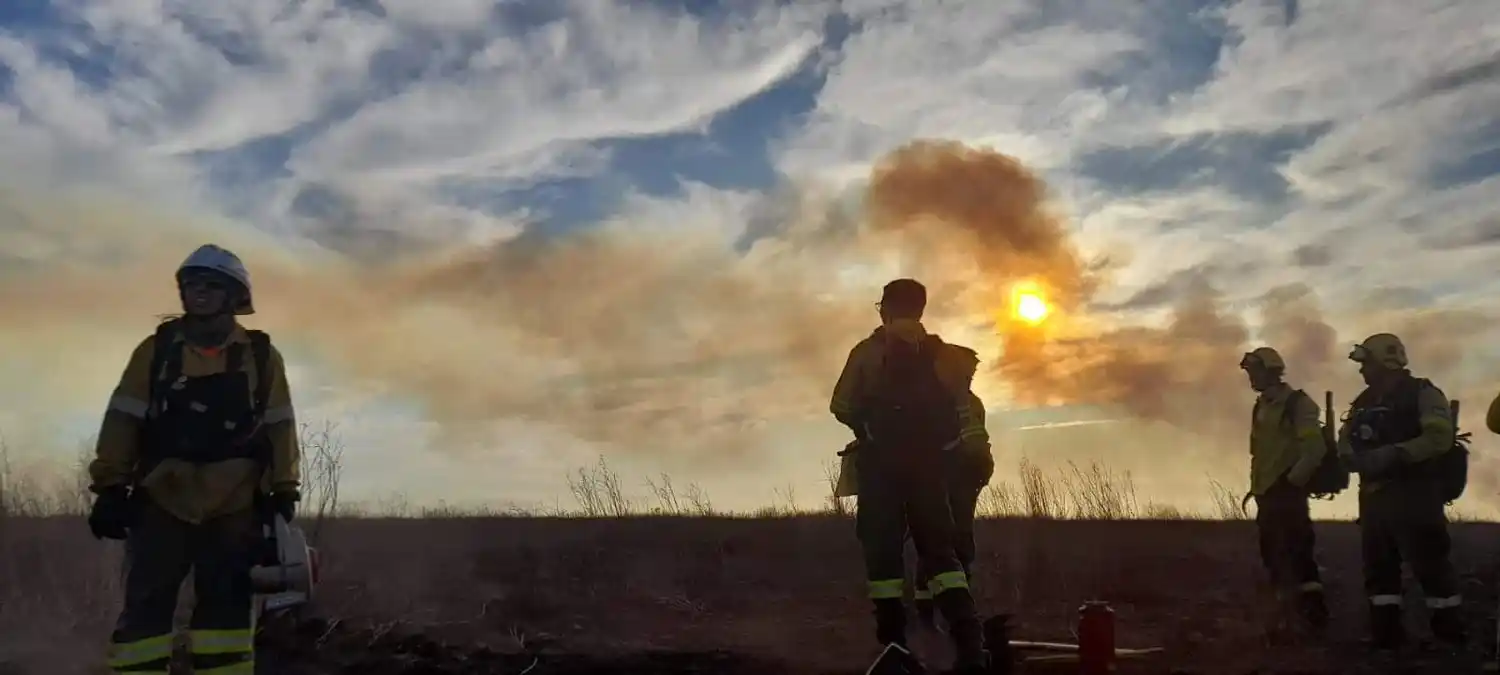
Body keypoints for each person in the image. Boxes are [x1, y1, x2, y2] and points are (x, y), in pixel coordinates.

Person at [87, 244, 302, 675]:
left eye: (210, 285)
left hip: (235, 504)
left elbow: (280, 425)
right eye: (190, 285)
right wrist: (110, 485)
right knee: (146, 608)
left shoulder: (260, 357)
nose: (197, 293)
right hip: (163, 498)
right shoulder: (156, 351)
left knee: (226, 612)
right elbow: (124, 417)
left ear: (233, 295)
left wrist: (283, 489)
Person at [829, 278, 989, 674]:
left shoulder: (867, 353)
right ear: (920, 309)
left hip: (881, 470)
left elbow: (840, 404)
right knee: (942, 557)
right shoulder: (948, 357)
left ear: (885, 308)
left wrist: (868, 426)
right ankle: (970, 645)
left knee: (883, 558)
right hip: (931, 470)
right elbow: (962, 408)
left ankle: (895, 647)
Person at [1336, 333, 1465, 652]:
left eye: (1366, 363)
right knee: (1379, 571)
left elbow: (1440, 438)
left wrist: (1396, 453)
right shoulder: (1363, 402)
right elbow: (1345, 437)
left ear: (1385, 361)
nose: (1362, 371)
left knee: (1431, 567)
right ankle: (1386, 637)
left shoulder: (1422, 393)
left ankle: (1449, 637)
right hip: (1374, 498)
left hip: (1415, 495)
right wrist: (1348, 455)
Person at [1239, 347, 1329, 633]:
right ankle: (1285, 619)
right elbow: (1261, 453)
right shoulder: (1262, 406)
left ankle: (1314, 618)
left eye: (1255, 371)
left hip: (1288, 493)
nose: (1251, 377)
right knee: (1273, 556)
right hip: (1267, 494)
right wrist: (1258, 488)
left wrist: (1292, 483)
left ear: (1271, 371)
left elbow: (1314, 449)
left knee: (1299, 554)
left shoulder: (1298, 404)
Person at [913, 345, 994, 630]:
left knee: (961, 544)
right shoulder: (935, 402)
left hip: (965, 482)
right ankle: (927, 611)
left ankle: (958, 610)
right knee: (937, 544)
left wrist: (982, 469)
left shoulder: (973, 404)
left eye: (972, 372)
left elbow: (978, 442)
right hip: (940, 481)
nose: (970, 376)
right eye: (966, 371)